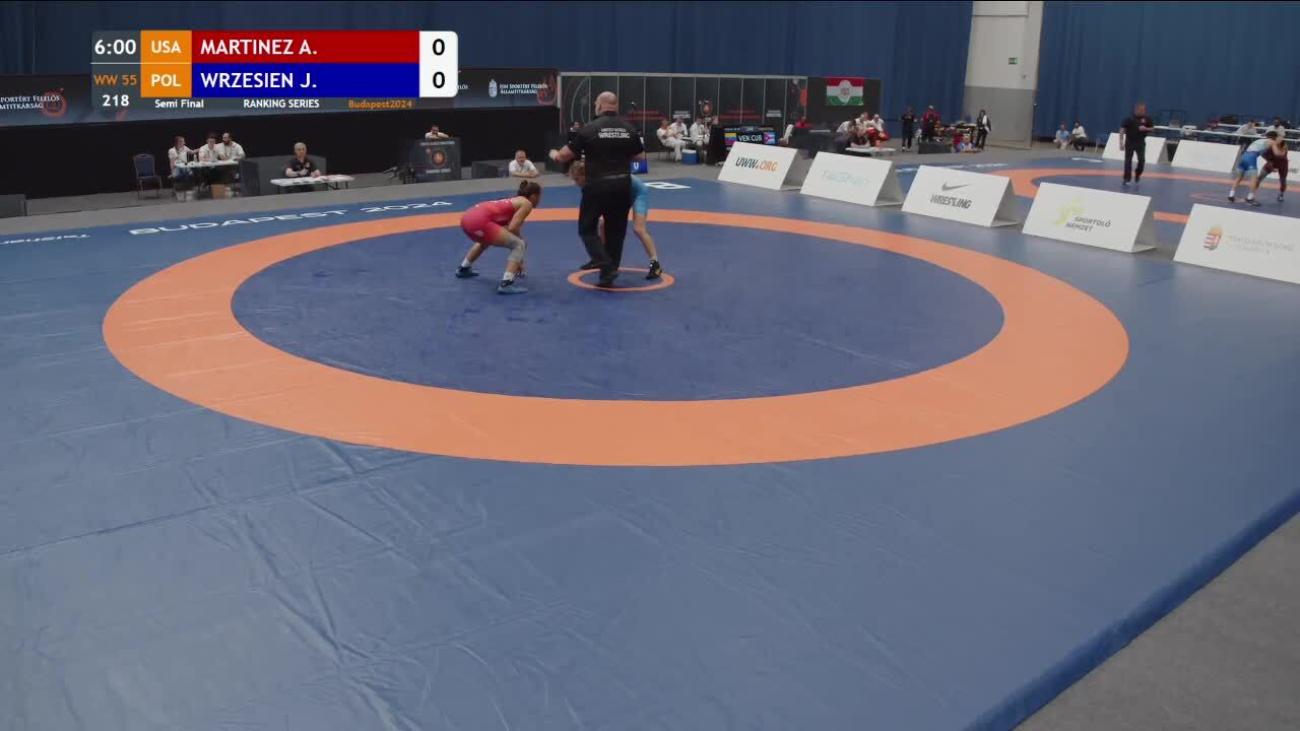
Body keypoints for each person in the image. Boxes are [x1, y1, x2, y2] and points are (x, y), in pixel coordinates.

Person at [548, 91, 644, 288]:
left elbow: (565, 156)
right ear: (616, 106)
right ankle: (609, 272)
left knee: (587, 228)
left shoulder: (590, 129)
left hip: (598, 185)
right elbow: (640, 158)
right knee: (616, 231)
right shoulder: (629, 129)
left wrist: (555, 154)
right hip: (622, 184)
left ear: (599, 106)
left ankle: (605, 266)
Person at [572, 160, 662, 279]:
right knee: (603, 224)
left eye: (577, 179)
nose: (575, 183)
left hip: (637, 193)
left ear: (584, 175)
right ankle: (601, 257)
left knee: (639, 229)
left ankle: (655, 263)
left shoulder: (599, 178)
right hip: (621, 193)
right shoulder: (593, 180)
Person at [454, 180, 541, 294]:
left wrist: (518, 260)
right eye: (539, 196)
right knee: (519, 245)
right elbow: (513, 228)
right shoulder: (526, 203)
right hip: (478, 221)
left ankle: (464, 268)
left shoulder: (512, 201)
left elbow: (509, 229)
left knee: (485, 240)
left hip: (466, 218)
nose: (540, 200)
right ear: (534, 196)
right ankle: (506, 283)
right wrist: (521, 243)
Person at [1228, 132, 1272, 204]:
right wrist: (1270, 161)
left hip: (1243, 157)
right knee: (1254, 179)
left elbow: (1261, 153)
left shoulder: (1258, 141)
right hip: (1251, 158)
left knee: (1239, 178)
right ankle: (1250, 198)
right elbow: (1267, 154)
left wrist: (1268, 160)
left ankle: (1231, 195)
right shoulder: (1270, 142)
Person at [1118, 102, 1155, 186]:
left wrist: (1146, 128)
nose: (1143, 112)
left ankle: (1138, 173)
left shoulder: (1147, 119)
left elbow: (1152, 128)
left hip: (1140, 142)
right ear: (1136, 110)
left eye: (1144, 110)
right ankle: (1127, 178)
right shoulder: (1129, 119)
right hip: (1130, 142)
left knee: (1142, 160)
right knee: (1128, 160)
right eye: (1141, 110)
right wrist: (1121, 142)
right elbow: (1122, 130)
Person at [1251, 130, 1289, 203]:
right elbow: (1263, 154)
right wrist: (1270, 163)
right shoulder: (1269, 144)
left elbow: (1281, 155)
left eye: (1281, 137)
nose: (1280, 139)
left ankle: (1281, 194)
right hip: (1272, 162)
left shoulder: (1284, 144)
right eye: (1279, 137)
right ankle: (1251, 194)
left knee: (1283, 181)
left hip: (1282, 164)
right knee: (1259, 177)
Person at [167, 135, 194, 201]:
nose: (184, 143)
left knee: (190, 173)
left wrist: (201, 148)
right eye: (183, 141)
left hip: (185, 168)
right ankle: (180, 192)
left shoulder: (185, 148)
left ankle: (188, 191)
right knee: (180, 174)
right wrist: (172, 171)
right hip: (176, 169)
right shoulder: (172, 150)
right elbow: (172, 163)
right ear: (178, 142)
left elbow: (192, 152)